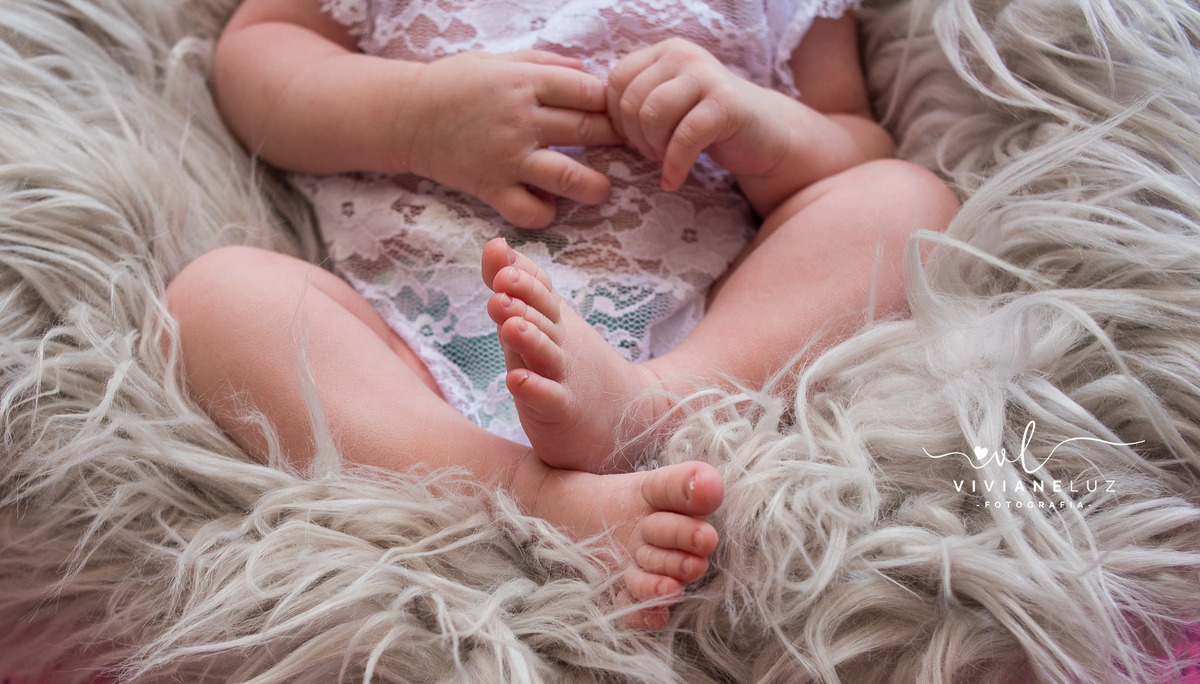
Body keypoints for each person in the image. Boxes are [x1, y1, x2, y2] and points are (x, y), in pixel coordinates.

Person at [166, 0, 960, 629]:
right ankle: (527, 494)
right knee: (218, 299)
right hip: (409, 338)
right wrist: (413, 117)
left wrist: (761, 127)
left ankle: (646, 408)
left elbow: (852, 139)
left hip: (697, 321)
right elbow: (257, 59)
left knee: (907, 203)